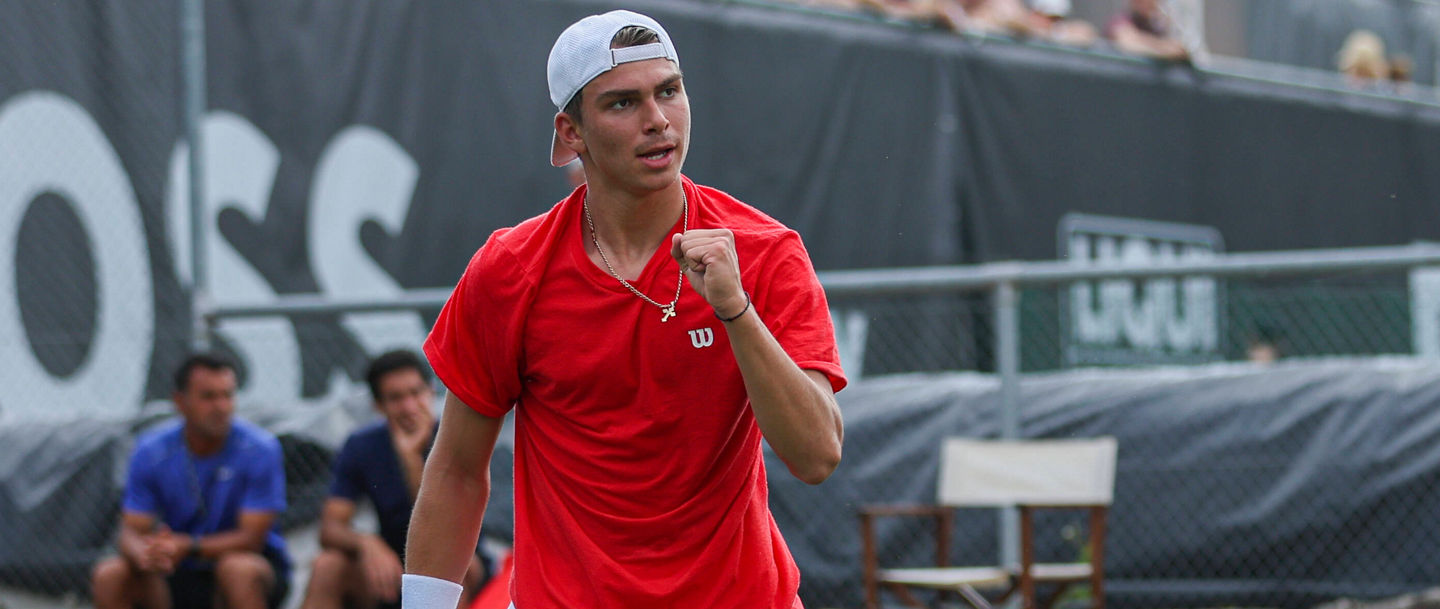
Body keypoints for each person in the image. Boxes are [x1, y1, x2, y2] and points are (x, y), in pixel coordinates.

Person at [402, 9, 847, 609]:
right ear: (571, 133)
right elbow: (456, 469)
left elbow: (817, 455)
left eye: (670, 91)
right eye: (622, 103)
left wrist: (735, 310)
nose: (658, 120)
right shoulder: (511, 268)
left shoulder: (765, 252)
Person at [91, 353, 291, 609]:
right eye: (209, 397)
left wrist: (188, 547)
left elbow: (251, 539)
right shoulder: (150, 450)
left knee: (238, 569)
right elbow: (131, 530)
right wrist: (145, 553)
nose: (222, 406)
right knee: (111, 574)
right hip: (173, 569)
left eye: (228, 395)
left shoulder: (261, 449)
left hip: (247, 566)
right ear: (180, 402)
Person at [300, 350, 489, 609]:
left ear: (431, 391)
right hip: (392, 563)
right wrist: (366, 543)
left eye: (415, 393)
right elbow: (330, 528)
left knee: (460, 565)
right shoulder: (362, 445)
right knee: (327, 566)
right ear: (379, 406)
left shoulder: (456, 436)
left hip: (458, 556)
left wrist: (411, 458)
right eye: (396, 398)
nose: (409, 407)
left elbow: (445, 527)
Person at [1106, 0, 1189, 62]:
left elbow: (1180, 49)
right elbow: (1127, 41)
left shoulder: (1157, 27)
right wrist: (1164, 49)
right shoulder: (1121, 21)